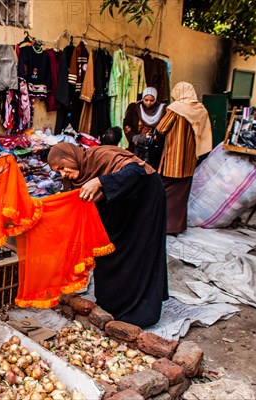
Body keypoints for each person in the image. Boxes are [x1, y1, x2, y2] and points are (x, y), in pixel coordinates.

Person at [47, 143, 168, 328]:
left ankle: (141, 313)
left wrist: (100, 181)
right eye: (58, 171)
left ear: (71, 157)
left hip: (143, 200)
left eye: (62, 167)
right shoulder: (74, 178)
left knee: (139, 251)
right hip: (120, 205)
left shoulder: (100, 155)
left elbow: (136, 171)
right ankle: (112, 305)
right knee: (109, 250)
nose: (63, 174)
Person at [155, 81, 212, 234]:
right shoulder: (201, 109)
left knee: (165, 190)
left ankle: (164, 226)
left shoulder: (176, 109)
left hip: (173, 158)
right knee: (181, 194)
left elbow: (161, 128)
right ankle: (177, 226)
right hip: (189, 159)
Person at [123, 87, 167, 169]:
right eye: (146, 100)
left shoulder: (162, 109)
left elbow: (164, 127)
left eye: (151, 100)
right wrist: (135, 138)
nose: (148, 103)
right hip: (136, 147)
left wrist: (156, 137)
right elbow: (127, 125)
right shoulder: (134, 108)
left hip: (154, 148)